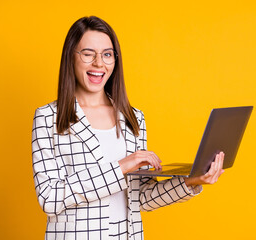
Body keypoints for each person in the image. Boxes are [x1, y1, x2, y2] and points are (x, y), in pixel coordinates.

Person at [31, 16, 225, 240]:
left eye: (107, 54)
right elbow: (50, 198)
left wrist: (192, 180)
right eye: (88, 54)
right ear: (71, 58)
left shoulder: (134, 118)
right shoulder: (48, 118)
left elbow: (140, 197)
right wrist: (121, 166)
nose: (99, 63)